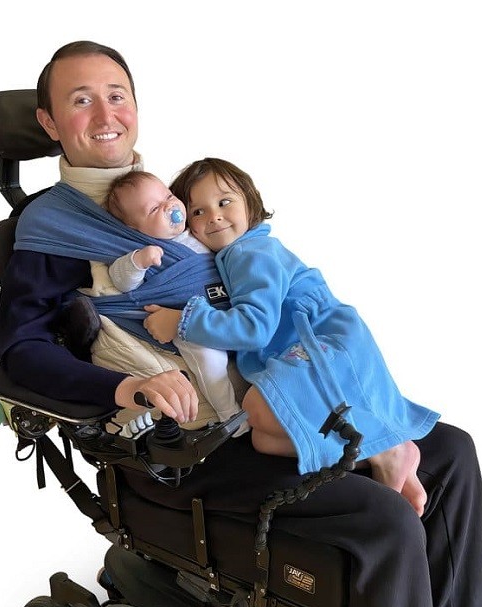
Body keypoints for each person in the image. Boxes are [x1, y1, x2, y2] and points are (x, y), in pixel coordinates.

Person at [0, 40, 482, 607]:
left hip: (258, 396)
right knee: (381, 521)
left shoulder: (165, 197)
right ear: (48, 121)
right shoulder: (50, 231)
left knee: (446, 450)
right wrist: (122, 390)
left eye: (116, 92)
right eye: (81, 98)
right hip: (179, 451)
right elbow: (18, 347)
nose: (104, 111)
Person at [146, 157, 439, 513]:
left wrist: (184, 320)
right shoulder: (234, 255)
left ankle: (386, 450)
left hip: (323, 345)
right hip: (311, 348)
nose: (215, 216)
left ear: (250, 202)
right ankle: (385, 459)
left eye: (225, 202)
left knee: (256, 407)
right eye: (198, 211)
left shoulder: (251, 253)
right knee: (262, 439)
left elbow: (255, 327)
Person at [102, 170, 247, 432]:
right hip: (187, 325)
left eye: (168, 196)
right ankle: (229, 415)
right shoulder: (144, 248)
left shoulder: (196, 231)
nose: (170, 206)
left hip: (221, 312)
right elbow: (122, 280)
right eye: (155, 208)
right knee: (209, 362)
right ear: (134, 229)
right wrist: (139, 261)